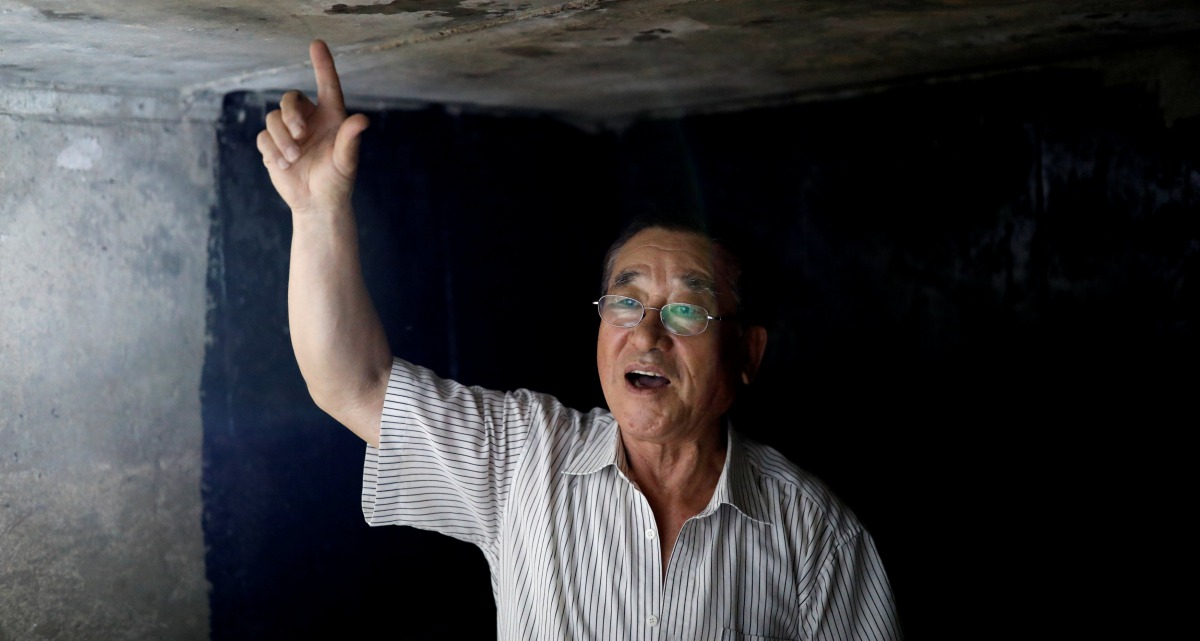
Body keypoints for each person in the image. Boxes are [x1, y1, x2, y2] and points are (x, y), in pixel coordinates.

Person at [257, 38, 904, 640]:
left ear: (747, 354)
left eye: (685, 310)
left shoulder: (816, 533)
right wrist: (317, 213)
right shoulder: (522, 456)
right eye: (625, 301)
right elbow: (352, 382)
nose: (646, 333)